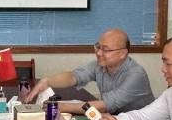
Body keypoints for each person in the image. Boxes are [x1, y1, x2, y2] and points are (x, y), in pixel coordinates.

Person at [24, 29, 154, 114]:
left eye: (105, 49)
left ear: (122, 53)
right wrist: (48, 81)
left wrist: (59, 106)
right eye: (98, 47)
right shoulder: (99, 65)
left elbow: (104, 106)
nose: (99, 53)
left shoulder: (136, 75)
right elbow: (73, 77)